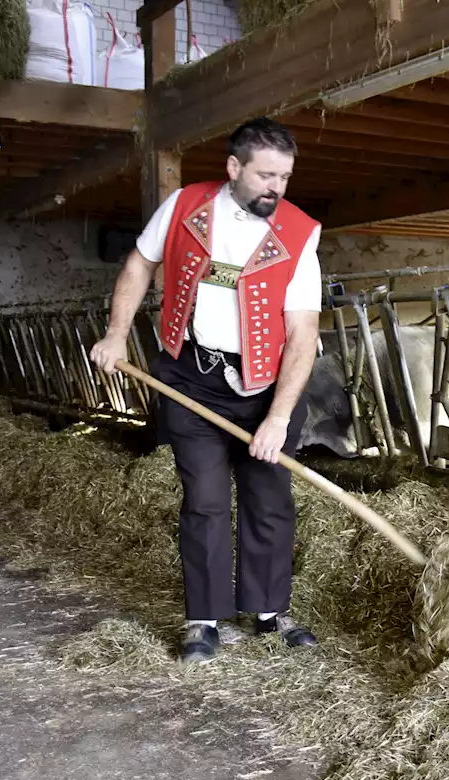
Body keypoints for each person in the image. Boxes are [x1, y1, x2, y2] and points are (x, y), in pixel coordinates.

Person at [90, 117, 323, 665]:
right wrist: (116, 335)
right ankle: (204, 619)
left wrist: (278, 418)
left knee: (269, 501)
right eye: (266, 175)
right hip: (191, 377)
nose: (276, 188)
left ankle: (269, 613)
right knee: (206, 501)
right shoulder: (182, 208)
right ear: (234, 167)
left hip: (266, 389)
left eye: (285, 177)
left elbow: (303, 331)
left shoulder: (299, 231)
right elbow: (140, 262)